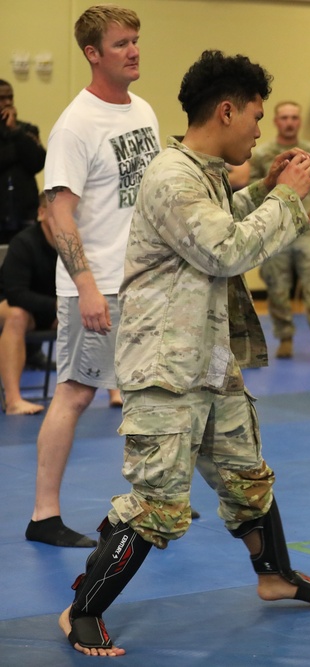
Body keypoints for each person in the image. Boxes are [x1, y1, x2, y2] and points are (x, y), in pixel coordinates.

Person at [59, 49, 310, 658]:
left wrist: (262, 190)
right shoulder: (171, 175)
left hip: (210, 361)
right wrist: (286, 199)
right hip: (167, 369)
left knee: (246, 479)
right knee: (158, 503)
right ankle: (81, 611)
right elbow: (224, 252)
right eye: (257, 117)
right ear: (227, 110)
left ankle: (275, 576)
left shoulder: (202, 174)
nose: (262, 131)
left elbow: (212, 228)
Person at [27, 4, 160, 549]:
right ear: (92, 54)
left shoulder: (144, 111)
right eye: (121, 43)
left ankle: (156, 498)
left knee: (154, 391)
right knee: (77, 393)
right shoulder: (75, 124)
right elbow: (57, 214)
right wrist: (84, 287)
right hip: (97, 284)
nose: (133, 51)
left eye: (135, 40)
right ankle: (44, 515)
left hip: (145, 282)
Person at [249, 101, 310, 361]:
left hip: (306, 230)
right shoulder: (262, 154)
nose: (289, 122)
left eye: (293, 117)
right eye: (284, 118)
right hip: (276, 231)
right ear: (276, 122)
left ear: (299, 122)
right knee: (277, 287)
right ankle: (285, 338)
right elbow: (252, 187)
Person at [0, 196, 56, 415]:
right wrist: (57, 305)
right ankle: (13, 400)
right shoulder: (24, 243)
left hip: (50, 309)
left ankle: (113, 391)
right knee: (17, 315)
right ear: (42, 213)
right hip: (9, 306)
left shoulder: (75, 245)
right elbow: (16, 295)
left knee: (94, 311)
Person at [0, 79, 47, 245]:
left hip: (25, 213)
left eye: (10, 97)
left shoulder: (27, 130)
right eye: (2, 98)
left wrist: (15, 132)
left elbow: (38, 161)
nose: (7, 103)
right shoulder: (27, 138)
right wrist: (18, 152)